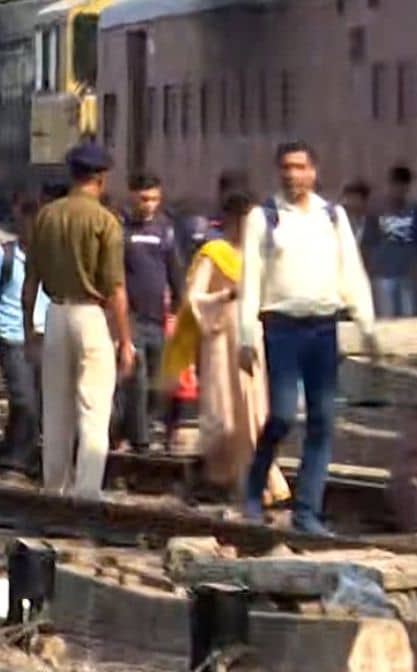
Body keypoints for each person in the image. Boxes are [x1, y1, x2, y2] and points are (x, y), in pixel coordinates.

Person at [239, 141, 378, 537]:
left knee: (323, 420)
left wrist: (367, 326)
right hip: (281, 327)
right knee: (282, 415)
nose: (292, 174)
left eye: (300, 167)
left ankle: (307, 513)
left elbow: (351, 272)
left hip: (323, 328)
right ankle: (254, 487)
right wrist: (246, 336)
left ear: (314, 172)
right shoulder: (262, 218)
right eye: (285, 167)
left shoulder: (332, 217)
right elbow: (250, 281)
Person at [162, 191, 290, 505]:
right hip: (221, 339)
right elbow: (193, 299)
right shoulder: (213, 253)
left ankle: (261, 479)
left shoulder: (258, 255)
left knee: (256, 411)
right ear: (232, 220)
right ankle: (225, 478)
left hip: (253, 336)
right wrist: (225, 297)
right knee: (226, 414)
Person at [24, 143, 133, 500]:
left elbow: (30, 282)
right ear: (100, 178)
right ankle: (87, 489)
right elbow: (115, 287)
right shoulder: (105, 221)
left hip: (54, 314)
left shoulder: (46, 216)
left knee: (55, 406)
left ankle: (54, 485)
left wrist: (29, 329)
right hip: (91, 315)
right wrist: (125, 339)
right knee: (93, 405)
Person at [0, 193, 48, 474]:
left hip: (41, 336)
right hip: (9, 335)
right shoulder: (1, 255)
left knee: (36, 401)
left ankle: (18, 452)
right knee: (23, 398)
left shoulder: (51, 258)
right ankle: (16, 460)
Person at [115, 171, 185, 453]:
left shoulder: (164, 230)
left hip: (158, 318)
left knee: (159, 384)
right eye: (144, 198)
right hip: (130, 318)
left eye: (155, 199)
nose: (149, 204)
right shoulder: (121, 229)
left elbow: (175, 272)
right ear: (132, 195)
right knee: (137, 381)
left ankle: (130, 429)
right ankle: (140, 442)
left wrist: (180, 309)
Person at [368, 165, 417, 318]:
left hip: (405, 273)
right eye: (397, 185)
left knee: (408, 317)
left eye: (404, 186)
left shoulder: (413, 209)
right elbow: (369, 239)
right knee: (387, 318)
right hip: (383, 273)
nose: (400, 190)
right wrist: (373, 267)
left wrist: (412, 263)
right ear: (391, 184)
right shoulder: (378, 208)